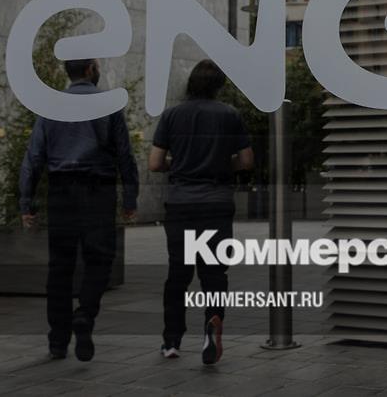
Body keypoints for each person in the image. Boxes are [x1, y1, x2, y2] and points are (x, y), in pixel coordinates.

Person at [19, 58, 139, 361]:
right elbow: (124, 154)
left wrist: (26, 202)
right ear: (90, 70)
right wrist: (129, 198)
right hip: (98, 191)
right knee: (100, 259)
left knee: (60, 266)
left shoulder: (51, 105)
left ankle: (57, 340)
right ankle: (85, 313)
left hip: (61, 192)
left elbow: (34, 156)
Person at [148, 59, 254, 364]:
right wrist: (221, 164)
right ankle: (211, 325)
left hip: (181, 204)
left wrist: (179, 165)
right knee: (214, 273)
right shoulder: (229, 115)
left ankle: (171, 341)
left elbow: (155, 163)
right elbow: (247, 161)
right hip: (217, 203)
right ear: (219, 85)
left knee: (178, 275)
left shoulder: (172, 115)